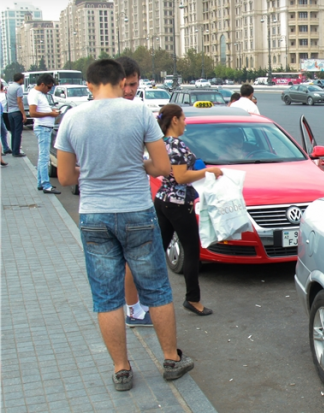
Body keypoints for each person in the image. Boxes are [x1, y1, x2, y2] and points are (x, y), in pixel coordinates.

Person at [55, 59, 194, 391]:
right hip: (136, 212)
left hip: (94, 216)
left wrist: (90, 172)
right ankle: (171, 360)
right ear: (121, 82)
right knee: (157, 289)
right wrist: (137, 165)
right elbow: (162, 166)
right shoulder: (140, 114)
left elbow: (63, 177)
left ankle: (121, 369)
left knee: (106, 297)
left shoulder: (72, 118)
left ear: (90, 85)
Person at [154, 104, 222, 316]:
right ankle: (193, 299)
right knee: (192, 250)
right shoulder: (176, 145)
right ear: (174, 120)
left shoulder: (161, 143)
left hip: (163, 198)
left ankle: (146, 292)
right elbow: (181, 177)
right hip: (178, 203)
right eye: (183, 119)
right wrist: (208, 172)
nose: (185, 123)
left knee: (158, 249)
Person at [116, 56, 153, 328]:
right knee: (134, 261)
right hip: (130, 201)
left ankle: (132, 307)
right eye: (126, 84)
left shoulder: (85, 113)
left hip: (96, 206)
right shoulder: (139, 112)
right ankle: (134, 310)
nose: (130, 90)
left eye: (134, 84)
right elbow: (158, 163)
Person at [28, 73, 61, 194]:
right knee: (44, 157)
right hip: (42, 128)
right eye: (48, 87)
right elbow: (32, 113)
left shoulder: (40, 94)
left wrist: (50, 111)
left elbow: (40, 110)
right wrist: (50, 114)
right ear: (42, 84)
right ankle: (46, 185)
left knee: (43, 156)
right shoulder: (34, 94)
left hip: (45, 127)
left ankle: (40, 183)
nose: (49, 90)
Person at [6, 73, 26, 157]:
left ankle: (14, 150)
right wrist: (23, 114)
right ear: (20, 79)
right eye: (23, 79)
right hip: (17, 112)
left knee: (13, 132)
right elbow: (19, 101)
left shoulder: (9, 87)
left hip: (10, 112)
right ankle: (16, 151)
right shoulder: (18, 88)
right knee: (18, 132)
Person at [1, 82, 11, 155]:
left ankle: (5, 148)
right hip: (2, 114)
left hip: (1, 114)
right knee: (3, 131)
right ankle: (4, 148)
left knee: (3, 131)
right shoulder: (3, 95)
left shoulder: (4, 94)